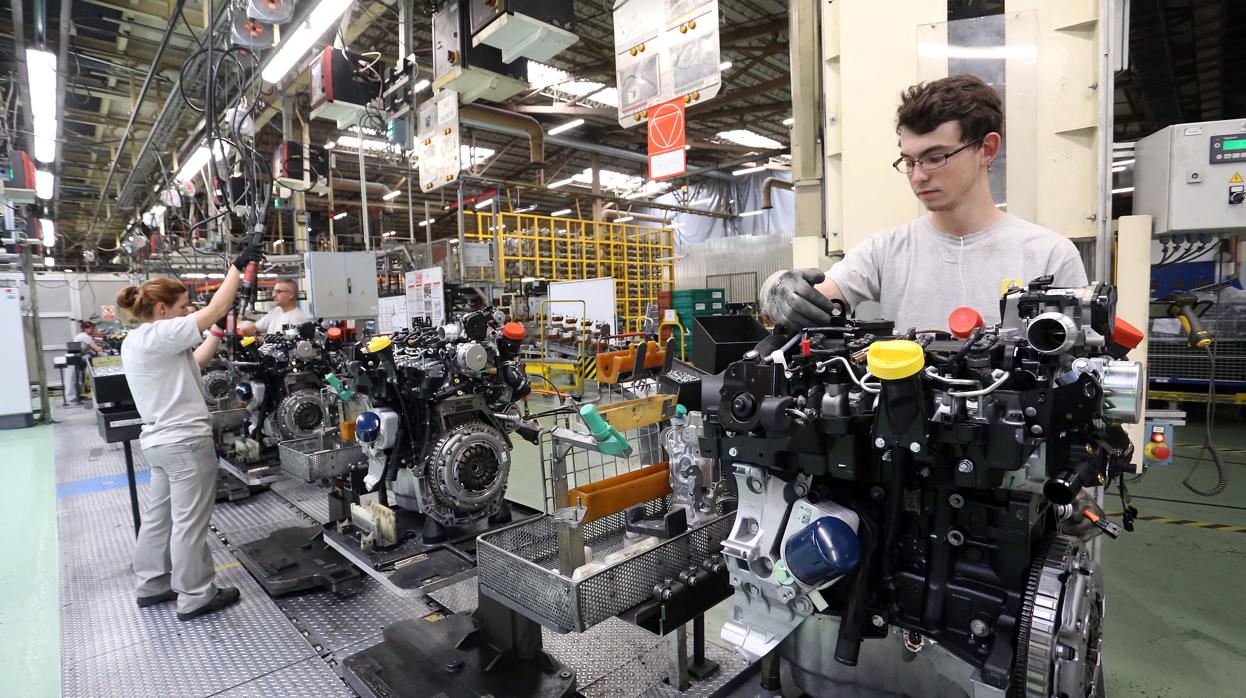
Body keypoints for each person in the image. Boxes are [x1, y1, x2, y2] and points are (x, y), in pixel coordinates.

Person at [761, 74, 1088, 334]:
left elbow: (1078, 365)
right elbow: (819, 297)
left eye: (934, 158)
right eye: (909, 161)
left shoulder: (1048, 256)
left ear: (986, 149)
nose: (918, 176)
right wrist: (777, 288)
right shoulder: (885, 252)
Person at [116, 243, 263, 620]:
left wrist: (216, 332)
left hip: (160, 442)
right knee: (189, 524)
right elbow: (214, 308)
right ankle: (196, 594)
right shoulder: (159, 333)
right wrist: (237, 267)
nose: (188, 312)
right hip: (184, 444)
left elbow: (195, 361)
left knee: (159, 518)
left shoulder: (140, 341)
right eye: (183, 307)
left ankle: (152, 584)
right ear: (162, 310)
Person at [239, 279, 312, 336]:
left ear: (290, 295)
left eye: (278, 292)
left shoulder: (296, 318)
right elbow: (254, 327)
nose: (273, 295)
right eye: (273, 291)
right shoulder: (275, 312)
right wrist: (238, 332)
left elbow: (290, 346)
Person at [67, 320, 105, 405]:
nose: (93, 330)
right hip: (73, 359)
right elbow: (95, 348)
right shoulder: (85, 336)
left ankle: (77, 395)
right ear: (86, 329)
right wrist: (103, 351)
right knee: (72, 378)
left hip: (76, 358)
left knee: (78, 378)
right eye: (92, 329)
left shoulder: (82, 335)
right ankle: (71, 397)